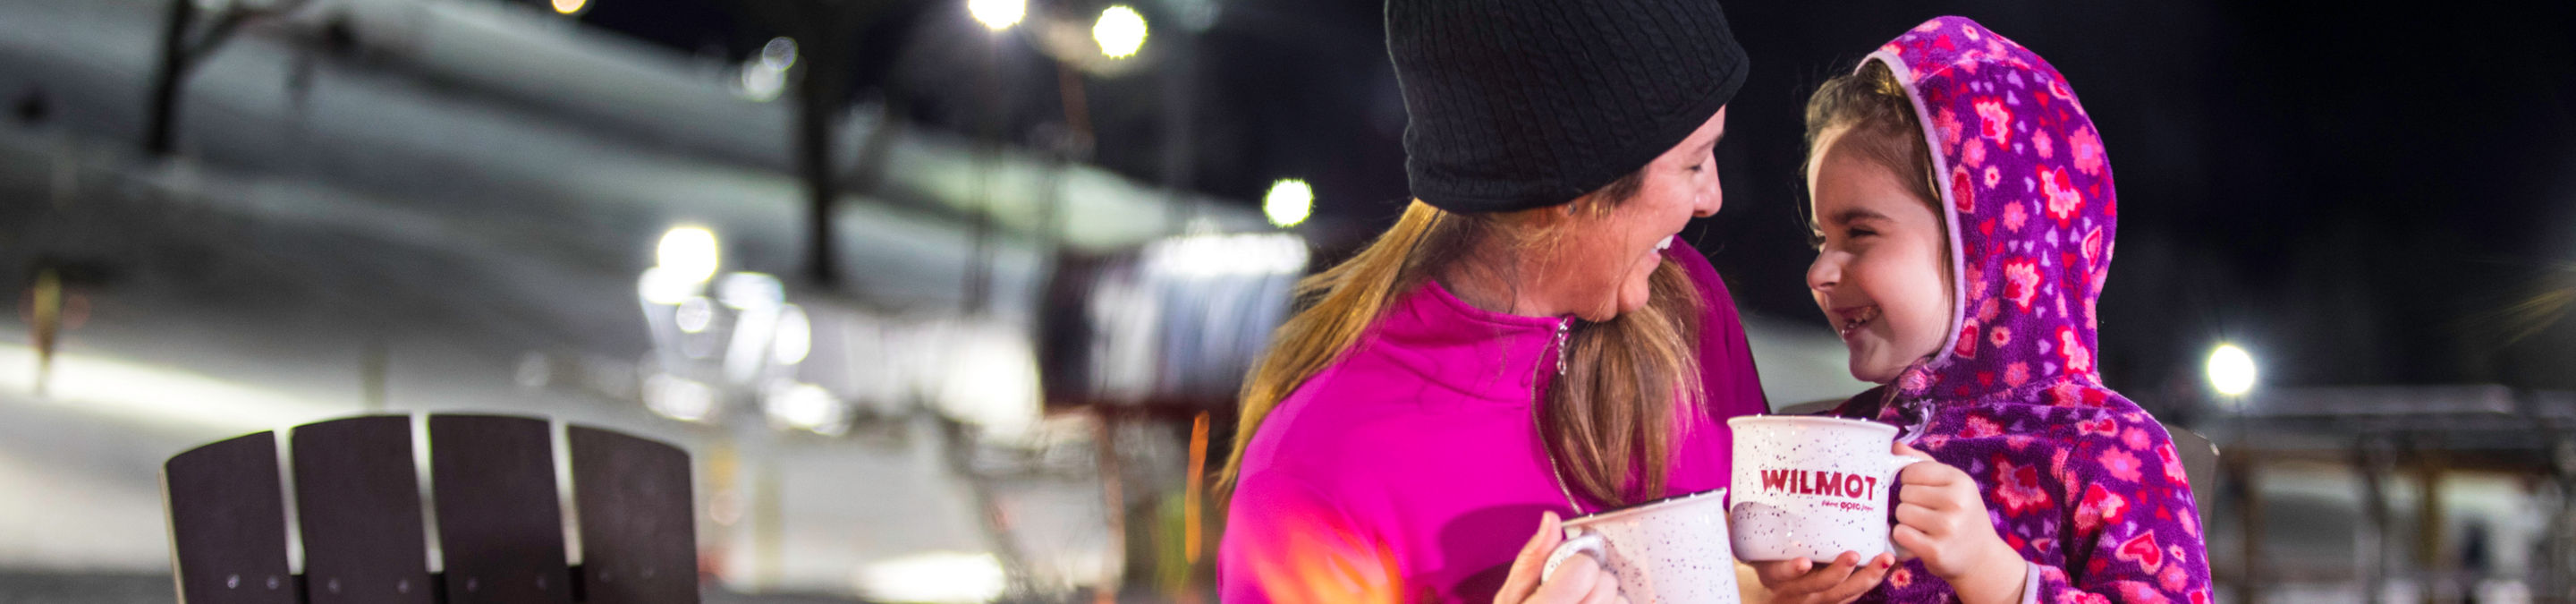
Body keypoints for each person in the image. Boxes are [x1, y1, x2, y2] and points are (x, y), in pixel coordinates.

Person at [1215, 1, 1768, 602]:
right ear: (1573, 187)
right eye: (1691, 162)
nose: (1710, 196)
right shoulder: (1316, 472)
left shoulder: (1685, 305)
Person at [1755, 16, 2213, 604]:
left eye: (1860, 233)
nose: (1819, 272)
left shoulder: (2106, 448)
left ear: (1988, 245)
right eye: (1822, 238)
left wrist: (1998, 578)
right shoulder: (1836, 442)